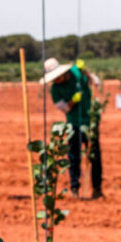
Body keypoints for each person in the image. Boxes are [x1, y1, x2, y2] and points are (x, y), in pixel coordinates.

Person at [42, 57, 103, 199]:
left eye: (56, 77)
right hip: (73, 124)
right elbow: (63, 108)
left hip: (90, 122)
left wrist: (85, 72)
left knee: (95, 156)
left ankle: (97, 189)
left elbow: (95, 81)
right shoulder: (55, 90)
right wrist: (73, 102)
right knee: (74, 157)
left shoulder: (76, 72)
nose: (55, 81)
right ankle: (74, 188)